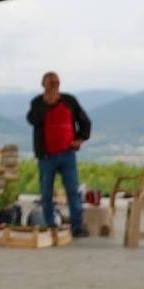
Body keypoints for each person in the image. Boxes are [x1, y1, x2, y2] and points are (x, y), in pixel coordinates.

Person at [26, 72, 92, 236]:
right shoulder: (37, 102)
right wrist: (46, 104)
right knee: (46, 193)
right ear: (43, 84)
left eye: (56, 82)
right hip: (46, 156)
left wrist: (80, 139)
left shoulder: (69, 101)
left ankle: (77, 226)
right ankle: (50, 226)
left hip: (67, 154)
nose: (54, 85)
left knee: (73, 191)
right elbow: (32, 120)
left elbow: (85, 121)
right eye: (51, 82)